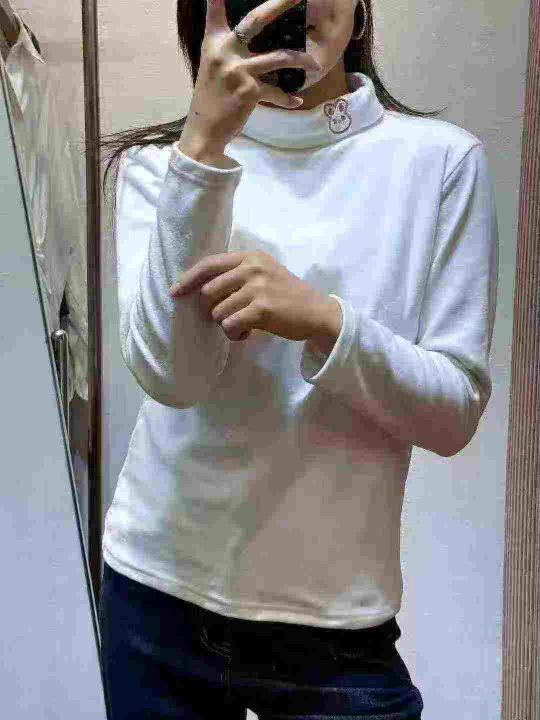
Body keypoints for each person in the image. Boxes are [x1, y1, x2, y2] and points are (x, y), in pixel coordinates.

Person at [97, 0, 499, 717]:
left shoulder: (443, 164)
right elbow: (173, 377)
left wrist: (323, 321)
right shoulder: (163, 166)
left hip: (336, 626)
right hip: (158, 600)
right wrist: (204, 145)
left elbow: (453, 414)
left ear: (360, 11)